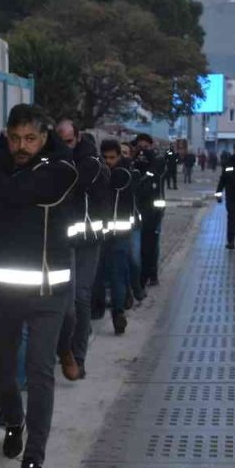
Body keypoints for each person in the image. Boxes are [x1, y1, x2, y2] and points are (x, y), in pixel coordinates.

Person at [0, 104, 78, 468]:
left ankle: (34, 459)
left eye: (30, 138)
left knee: (40, 369)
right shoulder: (0, 167)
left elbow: (13, 194)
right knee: (1, 371)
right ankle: (14, 419)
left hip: (48, 290)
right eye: (15, 139)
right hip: (2, 290)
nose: (22, 146)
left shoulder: (61, 170)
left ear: (44, 137)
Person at [55, 121, 110, 379]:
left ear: (77, 138)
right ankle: (64, 350)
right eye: (60, 141)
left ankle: (78, 357)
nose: (64, 146)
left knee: (80, 298)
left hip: (88, 239)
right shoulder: (53, 161)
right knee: (65, 306)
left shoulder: (90, 163)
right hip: (63, 241)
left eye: (68, 141)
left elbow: (81, 181)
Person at [100, 138, 138, 333]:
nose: (108, 161)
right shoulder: (100, 172)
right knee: (101, 276)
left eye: (112, 157)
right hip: (101, 234)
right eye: (105, 158)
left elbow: (117, 181)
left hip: (120, 234)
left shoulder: (124, 172)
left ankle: (118, 313)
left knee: (117, 275)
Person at [134, 134, 166, 285]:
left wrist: (159, 212)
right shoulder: (134, 162)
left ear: (151, 147)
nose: (142, 151)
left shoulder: (157, 161)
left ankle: (152, 272)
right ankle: (141, 273)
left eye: (145, 147)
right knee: (139, 246)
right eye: (140, 147)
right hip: (137, 210)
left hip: (154, 211)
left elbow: (159, 170)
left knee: (153, 244)